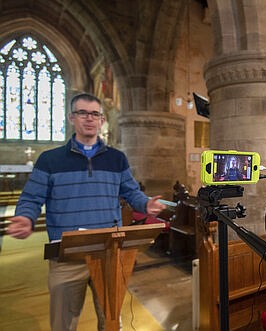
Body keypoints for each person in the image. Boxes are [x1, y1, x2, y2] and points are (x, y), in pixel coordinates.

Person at [6, 92, 165, 331]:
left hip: (108, 251)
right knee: (63, 323)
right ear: (71, 117)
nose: (89, 119)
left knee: (111, 321)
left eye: (95, 114)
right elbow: (31, 197)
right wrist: (25, 216)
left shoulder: (116, 158)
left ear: (102, 120)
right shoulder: (50, 160)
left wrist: (145, 204)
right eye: (82, 113)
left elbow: (131, 192)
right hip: (67, 255)